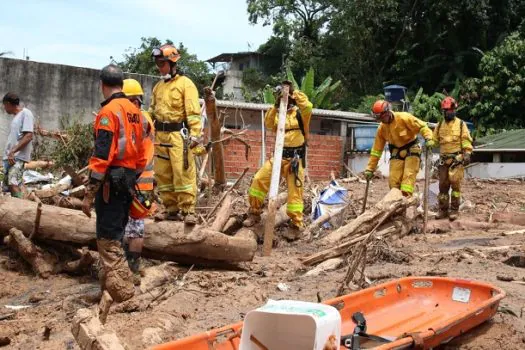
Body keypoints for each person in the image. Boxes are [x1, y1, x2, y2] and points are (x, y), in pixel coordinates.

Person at [82, 65, 148, 302]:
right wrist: (131, 178)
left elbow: (101, 156)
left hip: (111, 181)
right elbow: (142, 155)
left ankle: (124, 294)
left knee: (108, 239)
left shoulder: (109, 112)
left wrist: (89, 193)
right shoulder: (136, 113)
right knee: (116, 234)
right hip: (128, 180)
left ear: (102, 85)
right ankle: (108, 289)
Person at [243, 81, 312, 239]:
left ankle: (296, 226)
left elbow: (308, 105)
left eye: (283, 97)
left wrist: (293, 93)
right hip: (278, 156)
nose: (282, 99)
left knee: (295, 194)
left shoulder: (301, 114)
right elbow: (268, 123)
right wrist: (276, 106)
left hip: (295, 159)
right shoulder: (277, 113)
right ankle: (254, 213)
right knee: (259, 180)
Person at [149, 44, 202, 225]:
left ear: (172, 63)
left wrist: (195, 134)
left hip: (178, 136)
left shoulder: (185, 84)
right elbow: (152, 111)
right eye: (158, 63)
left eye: (162, 63)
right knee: (163, 174)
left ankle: (188, 210)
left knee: (182, 173)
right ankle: (170, 208)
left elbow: (194, 113)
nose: (159, 67)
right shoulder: (158, 87)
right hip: (161, 136)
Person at [121, 78, 155, 281]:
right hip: (143, 180)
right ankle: (131, 267)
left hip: (136, 180)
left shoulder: (139, 121)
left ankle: (132, 269)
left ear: (134, 101)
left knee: (133, 227)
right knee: (133, 226)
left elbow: (134, 154)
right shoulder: (145, 118)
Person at [364, 100, 434, 197]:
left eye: (382, 117)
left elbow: (422, 127)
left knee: (407, 181)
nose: (381, 120)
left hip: (412, 148)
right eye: (379, 118)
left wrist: (428, 138)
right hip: (396, 151)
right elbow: (376, 150)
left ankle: (405, 199)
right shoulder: (381, 129)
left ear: (388, 112)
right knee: (393, 182)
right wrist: (370, 169)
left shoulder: (404, 117)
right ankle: (397, 207)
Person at [433, 96, 473, 221]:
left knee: (455, 187)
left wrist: (467, 153)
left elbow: (466, 141)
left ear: (454, 110)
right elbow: (434, 141)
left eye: (451, 111)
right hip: (443, 160)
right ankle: (443, 210)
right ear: (443, 111)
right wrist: (428, 143)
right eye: (446, 111)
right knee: (443, 187)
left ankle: (454, 210)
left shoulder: (461, 125)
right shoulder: (439, 126)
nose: (449, 113)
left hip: (456, 160)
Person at [2, 92, 34, 198]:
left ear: (7, 103)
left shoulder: (26, 113)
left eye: (4, 105)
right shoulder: (16, 117)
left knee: (13, 183)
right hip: (10, 157)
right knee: (8, 187)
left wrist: (13, 151)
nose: (4, 108)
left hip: (17, 157)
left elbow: (29, 135)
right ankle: (16, 208)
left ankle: (21, 209)